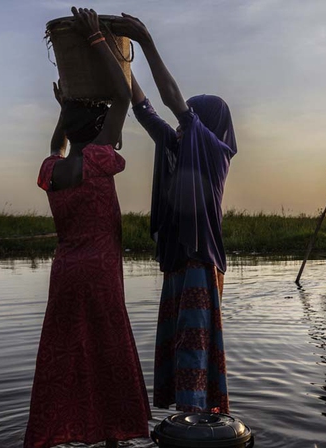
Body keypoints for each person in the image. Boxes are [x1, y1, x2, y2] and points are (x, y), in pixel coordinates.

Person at [12, 7, 151, 448]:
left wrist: (62, 106)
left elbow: (57, 144)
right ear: (94, 132)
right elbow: (121, 97)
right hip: (100, 276)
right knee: (109, 355)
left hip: (65, 275)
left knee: (56, 358)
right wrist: (96, 39)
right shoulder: (98, 159)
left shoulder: (53, 172)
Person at [115, 13, 234, 414]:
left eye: (192, 121)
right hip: (179, 262)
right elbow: (146, 110)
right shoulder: (178, 144)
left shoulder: (215, 153)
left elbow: (170, 102)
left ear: (207, 126)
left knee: (192, 348)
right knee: (179, 345)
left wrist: (146, 41)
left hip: (201, 262)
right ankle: (188, 421)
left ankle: (197, 427)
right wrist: (120, 61)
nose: (182, 127)